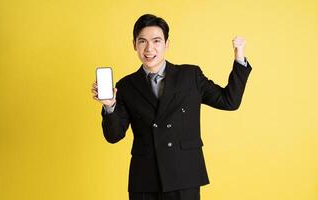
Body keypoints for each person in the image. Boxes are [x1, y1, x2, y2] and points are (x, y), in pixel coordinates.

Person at [92, 14, 252, 200]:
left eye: (156, 41)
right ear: (134, 44)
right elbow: (114, 136)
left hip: (184, 176)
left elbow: (229, 101)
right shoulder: (126, 86)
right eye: (142, 41)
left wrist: (239, 57)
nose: (149, 48)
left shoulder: (190, 75)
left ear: (167, 44)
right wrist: (110, 106)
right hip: (144, 180)